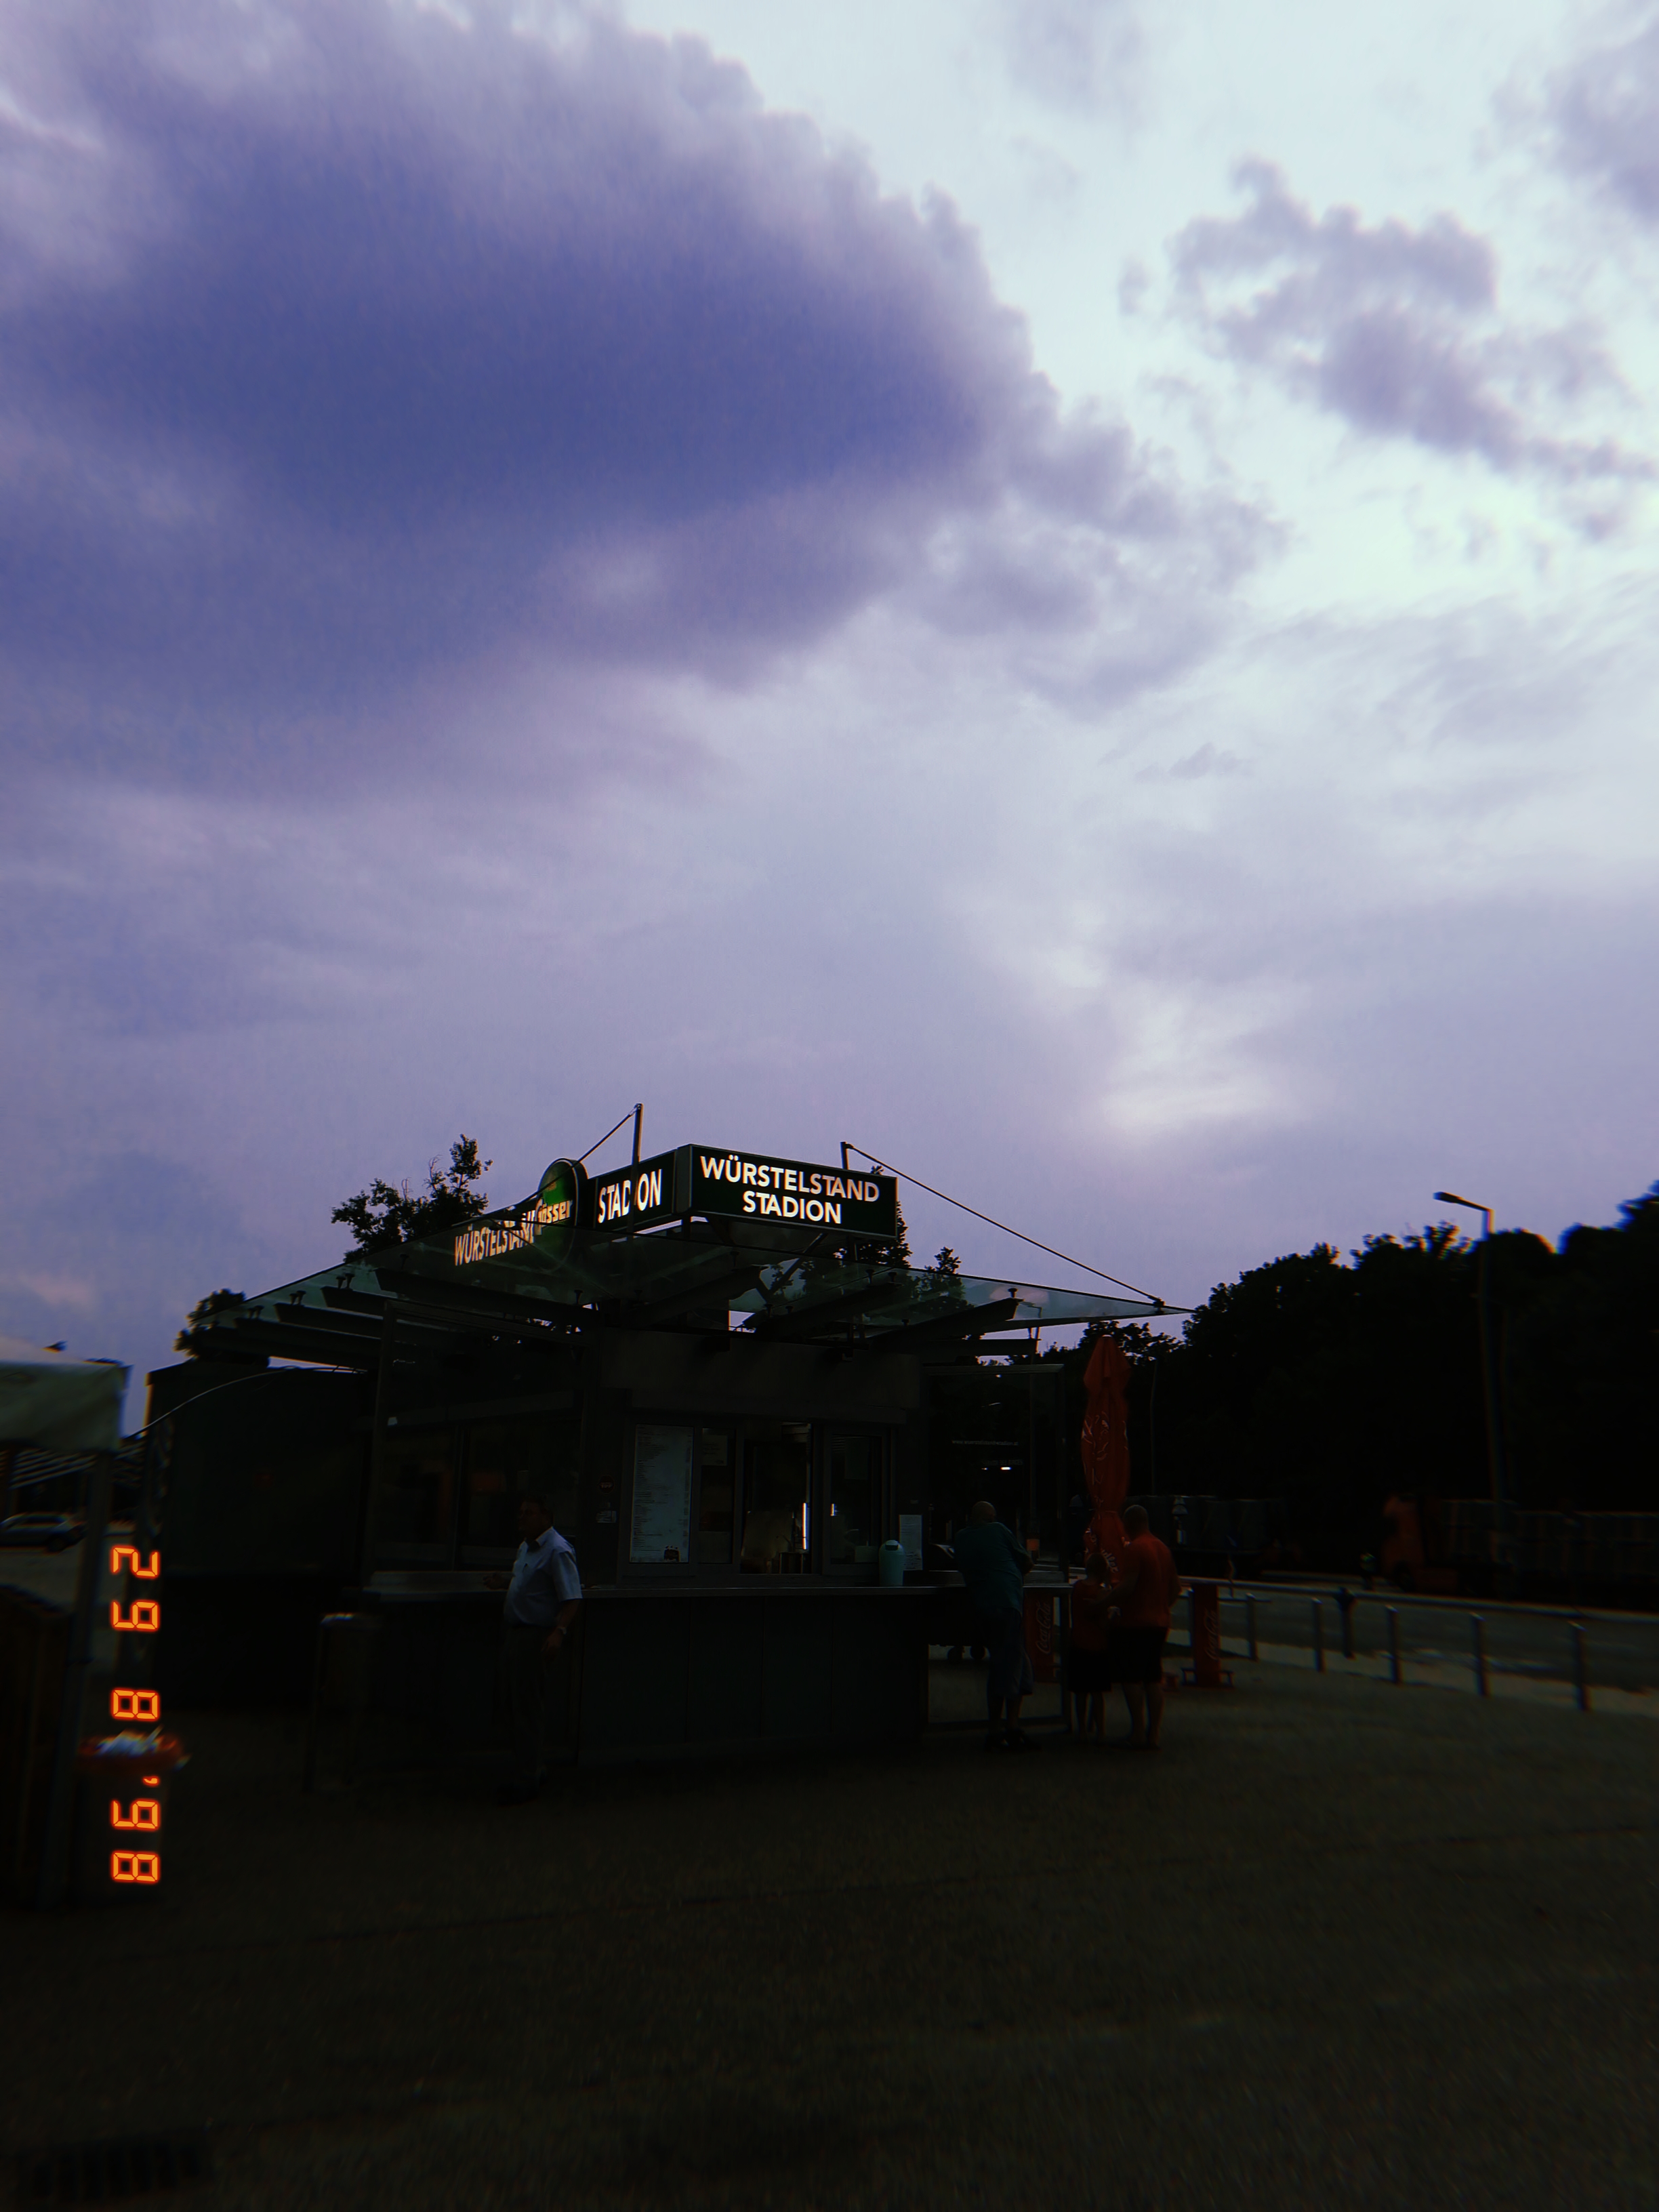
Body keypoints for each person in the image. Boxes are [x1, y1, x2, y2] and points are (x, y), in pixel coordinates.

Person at [485, 1495, 582, 1803]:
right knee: (513, 1703)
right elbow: (531, 1584)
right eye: (521, 1512)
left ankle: (527, 1778)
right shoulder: (526, 1547)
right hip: (515, 1633)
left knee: (527, 1707)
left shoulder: (558, 1550)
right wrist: (505, 1583)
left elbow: (572, 1598)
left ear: (546, 1516)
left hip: (534, 1636)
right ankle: (531, 1767)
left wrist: (559, 1632)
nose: (522, 1517)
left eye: (529, 1513)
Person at [951, 1499, 1038, 1751]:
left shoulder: (962, 1538)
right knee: (1007, 1666)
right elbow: (1026, 1562)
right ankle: (998, 1730)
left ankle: (1011, 1726)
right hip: (1007, 1604)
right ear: (991, 1518)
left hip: (983, 1607)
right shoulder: (998, 1530)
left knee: (1013, 1662)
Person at [1105, 1502, 1181, 1749]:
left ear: (1129, 1524)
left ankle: (1138, 1731)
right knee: (1153, 1677)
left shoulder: (1135, 1548)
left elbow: (1128, 1586)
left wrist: (1104, 1603)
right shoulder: (1162, 1548)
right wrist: (1163, 1605)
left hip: (1136, 1622)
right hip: (1160, 1623)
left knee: (1131, 1678)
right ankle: (1154, 1734)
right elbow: (1176, 1587)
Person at [1067, 1553, 1111, 1741]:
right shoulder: (1101, 1593)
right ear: (1104, 1572)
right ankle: (1100, 1732)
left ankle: (1082, 1730)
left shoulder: (1077, 1588)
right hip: (1097, 1646)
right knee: (1097, 1692)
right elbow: (1103, 1623)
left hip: (1078, 1643)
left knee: (1081, 1692)